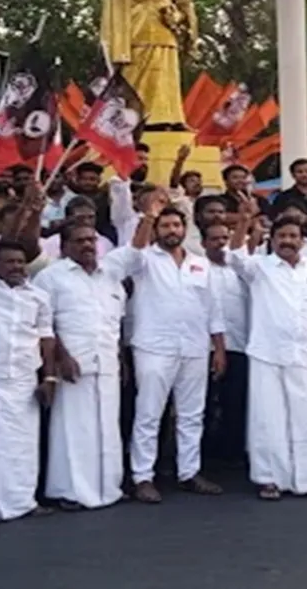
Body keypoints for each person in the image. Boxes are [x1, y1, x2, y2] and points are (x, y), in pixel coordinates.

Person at [118, 199, 227, 503]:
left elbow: (213, 307)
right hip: (154, 346)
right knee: (149, 413)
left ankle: (189, 472)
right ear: (157, 230)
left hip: (194, 346)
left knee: (193, 414)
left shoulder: (200, 262)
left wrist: (218, 348)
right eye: (164, 225)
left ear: (185, 228)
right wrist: (147, 218)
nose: (171, 230)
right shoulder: (145, 259)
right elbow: (133, 252)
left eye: (176, 225)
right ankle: (142, 476)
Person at [228, 207, 307, 500]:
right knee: (268, 418)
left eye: (293, 236)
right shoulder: (260, 268)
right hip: (268, 353)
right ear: (272, 240)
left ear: (303, 241)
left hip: (306, 353)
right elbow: (235, 256)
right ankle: (269, 478)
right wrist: (243, 221)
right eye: (281, 236)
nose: (287, 241)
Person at [32, 220, 129, 510]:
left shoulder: (109, 277)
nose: (87, 245)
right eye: (79, 240)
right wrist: (61, 357)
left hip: (107, 361)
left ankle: (107, 487)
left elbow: (116, 323)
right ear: (64, 246)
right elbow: (43, 324)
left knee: (107, 428)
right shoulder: (51, 277)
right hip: (72, 363)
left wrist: (122, 359)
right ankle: (69, 491)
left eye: (91, 240)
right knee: (73, 430)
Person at [0, 240, 57, 522]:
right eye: (9, 262)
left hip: (24, 376)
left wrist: (50, 376)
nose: (16, 267)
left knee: (23, 443)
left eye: (20, 262)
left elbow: (46, 337)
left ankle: (23, 501)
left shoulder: (38, 296)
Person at [200, 222, 250, 466]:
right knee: (205, 403)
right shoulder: (198, 270)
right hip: (206, 347)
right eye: (214, 239)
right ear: (203, 243)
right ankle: (202, 456)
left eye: (224, 238)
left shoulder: (240, 271)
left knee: (236, 402)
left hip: (239, 344)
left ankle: (233, 455)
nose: (220, 243)